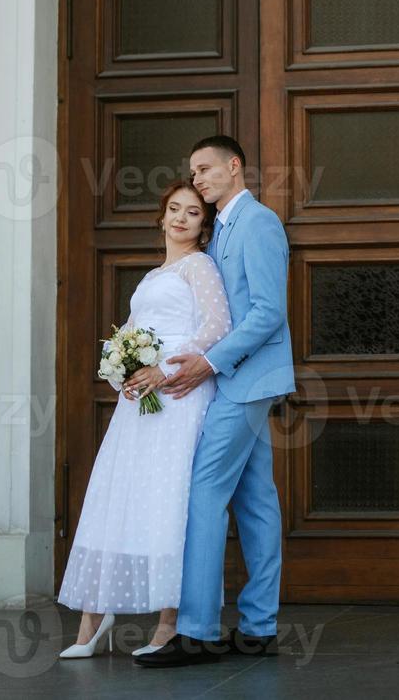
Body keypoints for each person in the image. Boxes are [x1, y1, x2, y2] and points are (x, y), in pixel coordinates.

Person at [132, 135, 296, 667]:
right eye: (192, 172)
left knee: (203, 493)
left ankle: (198, 631)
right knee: (255, 502)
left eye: (204, 169)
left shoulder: (259, 222)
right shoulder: (222, 228)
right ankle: (258, 629)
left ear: (234, 166)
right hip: (235, 380)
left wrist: (211, 362)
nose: (197, 178)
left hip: (246, 380)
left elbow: (268, 311)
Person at [55, 179, 231, 659]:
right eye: (174, 209)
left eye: (192, 212)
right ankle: (94, 617)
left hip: (179, 390)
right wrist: (123, 369)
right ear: (161, 217)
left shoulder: (201, 267)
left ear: (203, 224)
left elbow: (217, 328)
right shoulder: (153, 277)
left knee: (167, 498)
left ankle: (168, 623)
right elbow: (130, 332)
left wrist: (164, 366)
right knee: (120, 494)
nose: (180, 218)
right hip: (140, 401)